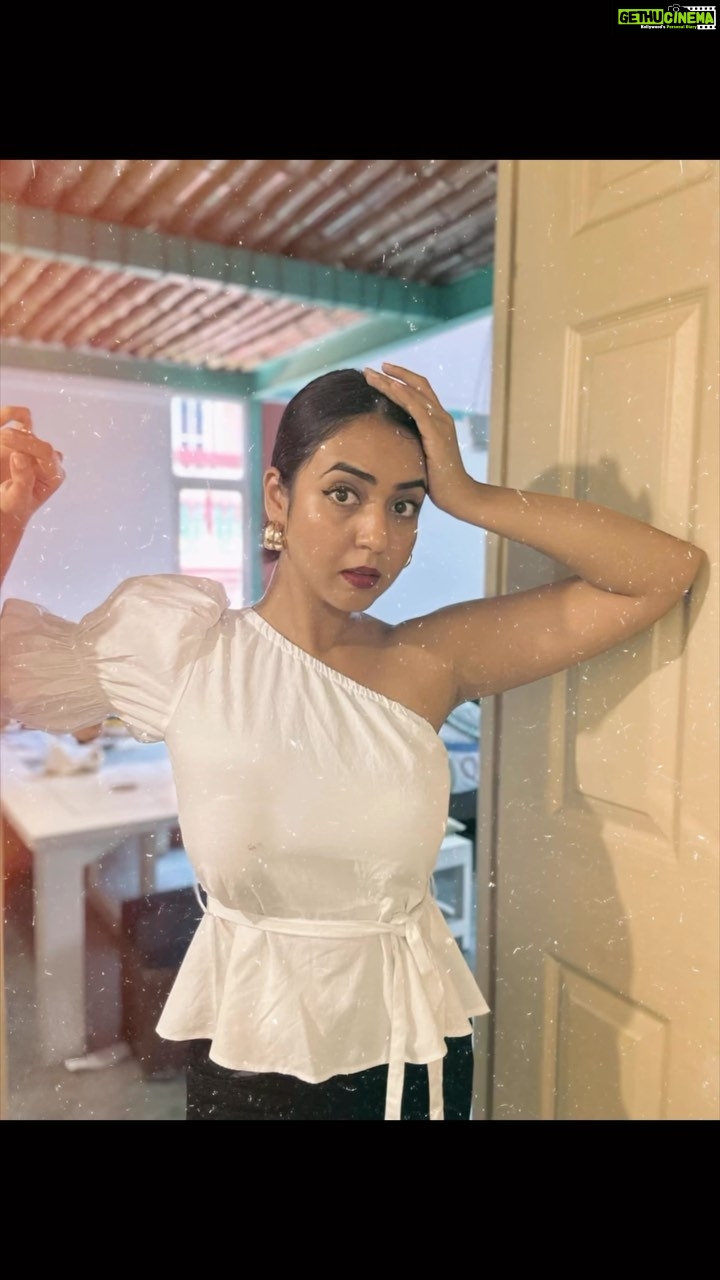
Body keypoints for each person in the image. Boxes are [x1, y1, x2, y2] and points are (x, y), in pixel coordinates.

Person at [0, 366, 706, 1121]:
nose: (378, 535)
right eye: (344, 493)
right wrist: (8, 526)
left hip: (409, 1056)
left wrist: (469, 495)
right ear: (278, 496)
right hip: (246, 1049)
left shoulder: (429, 661)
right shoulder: (184, 650)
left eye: (405, 505)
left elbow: (662, 575)